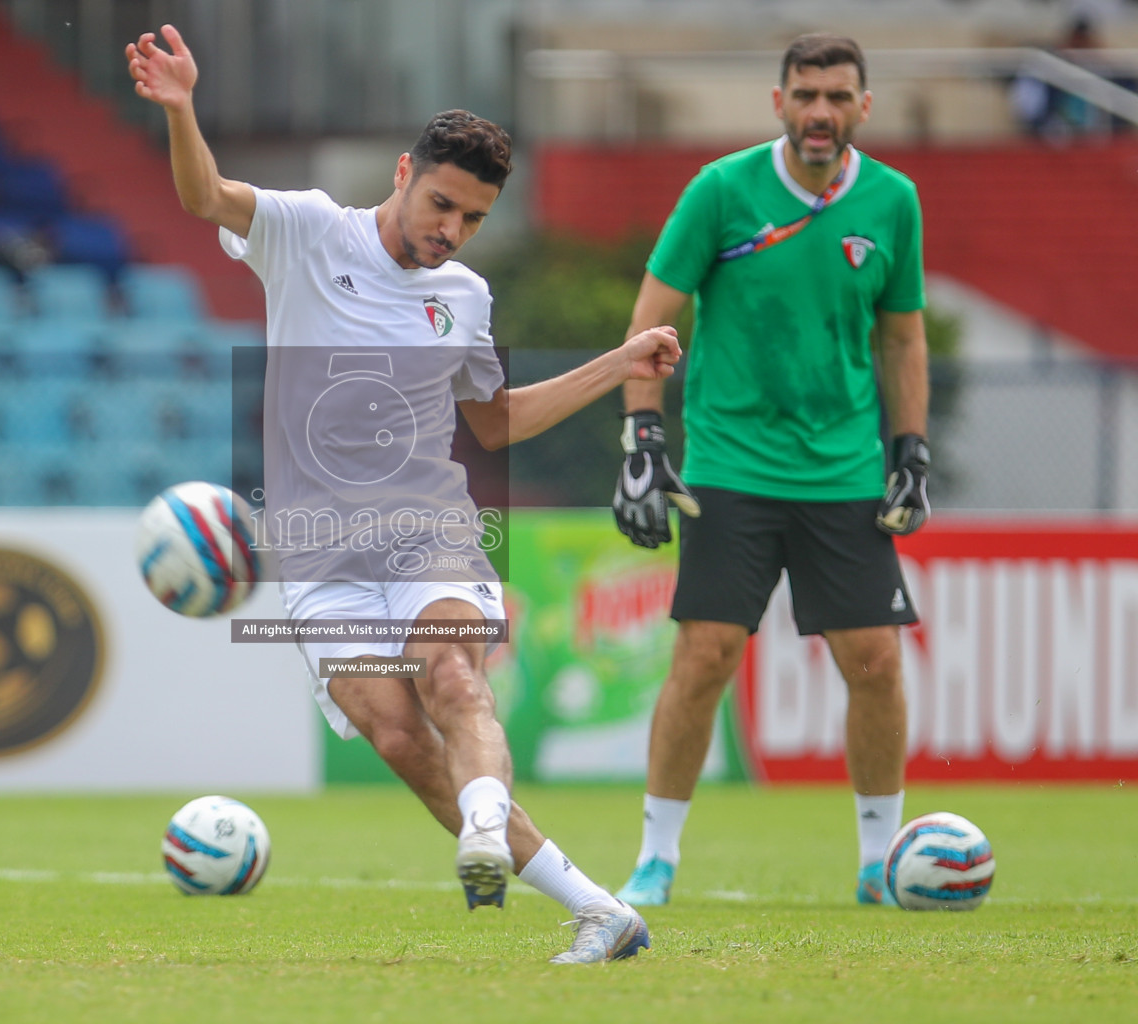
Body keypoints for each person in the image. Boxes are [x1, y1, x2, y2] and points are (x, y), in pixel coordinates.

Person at [128, 24, 682, 963]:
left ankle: (479, 829)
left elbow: (495, 420)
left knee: (454, 678)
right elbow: (202, 195)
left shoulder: (462, 295)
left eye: (472, 218)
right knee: (392, 734)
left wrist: (620, 363)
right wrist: (183, 109)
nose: (451, 231)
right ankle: (599, 908)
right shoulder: (305, 231)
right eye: (441, 205)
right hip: (318, 550)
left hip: (428, 531)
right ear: (402, 173)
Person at [609, 33, 931, 907]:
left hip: (843, 472)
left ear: (864, 106)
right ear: (778, 101)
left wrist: (911, 451)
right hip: (730, 462)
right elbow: (653, 317)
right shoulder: (721, 190)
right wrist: (643, 441)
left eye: (836, 96)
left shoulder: (894, 201)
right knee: (705, 654)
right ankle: (656, 860)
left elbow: (901, 336)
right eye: (804, 94)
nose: (819, 111)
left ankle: (878, 864)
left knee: (873, 663)